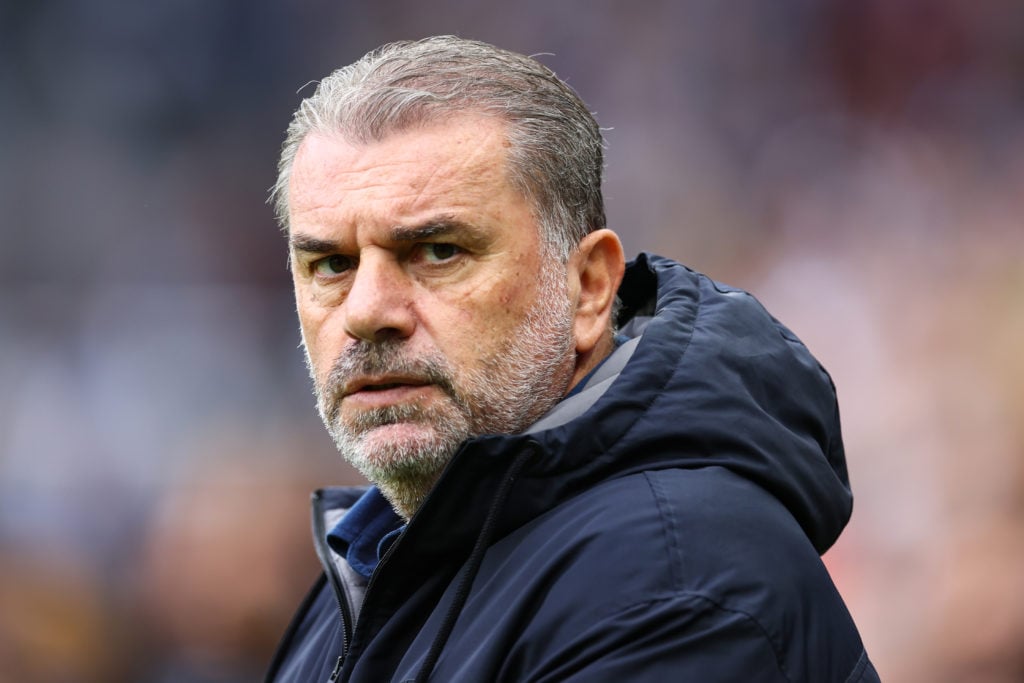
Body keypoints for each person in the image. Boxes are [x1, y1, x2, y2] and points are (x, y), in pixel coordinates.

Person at [263, 36, 879, 682]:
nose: (366, 311)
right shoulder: (377, 561)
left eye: (438, 251)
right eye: (331, 263)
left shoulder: (676, 582)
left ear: (587, 287)